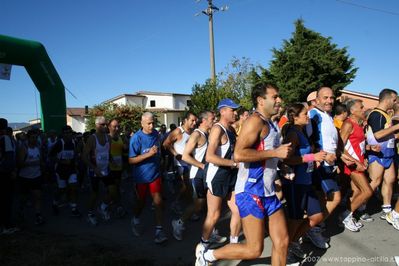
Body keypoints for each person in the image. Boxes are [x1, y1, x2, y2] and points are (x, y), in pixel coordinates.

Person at [196, 89, 292, 266]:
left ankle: (230, 239)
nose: (279, 99)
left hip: (268, 190)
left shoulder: (270, 123)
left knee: (282, 242)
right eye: (274, 97)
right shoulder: (254, 121)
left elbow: (267, 154)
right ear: (260, 101)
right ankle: (209, 255)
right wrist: (274, 152)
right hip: (250, 190)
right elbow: (239, 154)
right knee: (254, 249)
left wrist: (282, 163)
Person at [282, 103, 326, 261]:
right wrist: (311, 157)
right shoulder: (293, 133)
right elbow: (285, 159)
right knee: (296, 219)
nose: (308, 116)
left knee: (317, 216)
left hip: (306, 181)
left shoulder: (301, 131)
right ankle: (284, 249)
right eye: (305, 114)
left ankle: (292, 241)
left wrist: (315, 158)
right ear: (294, 117)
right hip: (295, 184)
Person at [172, 111, 222, 241]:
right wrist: (201, 165)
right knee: (198, 205)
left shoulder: (208, 134)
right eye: (212, 118)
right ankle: (178, 223)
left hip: (207, 174)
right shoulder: (196, 135)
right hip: (197, 174)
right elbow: (185, 156)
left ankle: (210, 232)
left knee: (210, 205)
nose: (214, 120)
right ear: (204, 120)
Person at [306, 86, 342, 249]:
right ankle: (313, 228)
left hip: (330, 165)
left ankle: (313, 227)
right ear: (317, 100)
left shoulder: (327, 115)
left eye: (331, 98)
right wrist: (323, 155)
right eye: (325, 98)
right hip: (320, 164)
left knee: (322, 198)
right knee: (335, 198)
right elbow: (306, 140)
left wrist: (339, 159)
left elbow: (333, 142)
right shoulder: (313, 115)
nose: (329, 101)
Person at [129, 112, 168, 244]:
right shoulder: (136, 138)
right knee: (141, 202)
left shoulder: (156, 134)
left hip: (155, 175)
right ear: (142, 123)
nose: (152, 126)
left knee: (158, 202)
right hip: (141, 177)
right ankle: (135, 219)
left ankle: (159, 230)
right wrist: (149, 155)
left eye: (153, 123)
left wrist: (160, 159)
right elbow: (131, 160)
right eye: (149, 123)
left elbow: (158, 150)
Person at [339, 99, 374, 232]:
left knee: (358, 191)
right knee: (367, 191)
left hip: (359, 163)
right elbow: (340, 145)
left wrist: (367, 151)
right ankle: (345, 215)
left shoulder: (358, 124)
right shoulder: (348, 124)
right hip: (352, 164)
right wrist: (355, 161)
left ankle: (348, 215)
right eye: (361, 107)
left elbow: (357, 145)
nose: (364, 109)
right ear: (352, 111)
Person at [366, 88, 399, 219]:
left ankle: (387, 208)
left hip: (388, 154)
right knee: (374, 182)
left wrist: (394, 134)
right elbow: (378, 135)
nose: (395, 102)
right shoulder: (376, 114)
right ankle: (360, 207)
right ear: (388, 99)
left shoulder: (385, 114)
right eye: (394, 99)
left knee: (390, 180)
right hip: (377, 154)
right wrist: (396, 127)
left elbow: (387, 133)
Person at [83, 116, 115, 225]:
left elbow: (107, 153)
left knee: (113, 191)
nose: (105, 126)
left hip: (105, 170)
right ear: (97, 125)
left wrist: (112, 160)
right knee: (94, 195)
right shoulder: (92, 139)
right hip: (95, 171)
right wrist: (94, 168)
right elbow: (84, 156)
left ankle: (102, 207)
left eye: (106, 124)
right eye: (103, 125)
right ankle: (90, 213)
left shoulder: (108, 138)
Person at [163, 112, 197, 214]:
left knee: (186, 186)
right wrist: (175, 154)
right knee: (188, 186)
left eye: (195, 120)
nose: (194, 123)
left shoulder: (193, 131)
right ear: (185, 120)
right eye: (192, 120)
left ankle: (177, 203)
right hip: (181, 164)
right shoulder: (178, 131)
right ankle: (189, 210)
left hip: (191, 161)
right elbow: (165, 143)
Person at [49, 125, 81, 217]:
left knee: (73, 188)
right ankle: (55, 203)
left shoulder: (74, 142)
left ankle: (74, 208)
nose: (68, 134)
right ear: (62, 134)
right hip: (60, 170)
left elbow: (75, 153)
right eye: (65, 133)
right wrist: (61, 161)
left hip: (71, 170)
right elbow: (50, 156)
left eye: (69, 132)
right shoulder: (59, 143)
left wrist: (76, 159)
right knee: (61, 190)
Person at [17, 129, 45, 225]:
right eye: (32, 137)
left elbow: (40, 160)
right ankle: (21, 210)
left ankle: (38, 215)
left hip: (36, 176)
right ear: (28, 138)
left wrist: (42, 165)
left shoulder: (38, 148)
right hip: (25, 177)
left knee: (38, 196)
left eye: (36, 137)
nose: (34, 139)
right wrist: (31, 163)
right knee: (24, 198)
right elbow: (20, 164)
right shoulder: (23, 148)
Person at [0, 118, 18, 234]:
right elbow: (9, 157)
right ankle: (7, 226)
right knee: (6, 200)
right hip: (4, 173)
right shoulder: (5, 138)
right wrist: (12, 171)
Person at [108, 118, 127, 218]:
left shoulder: (120, 138)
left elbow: (123, 151)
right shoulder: (107, 138)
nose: (117, 128)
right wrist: (111, 161)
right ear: (109, 127)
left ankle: (113, 205)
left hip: (119, 168)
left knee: (117, 188)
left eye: (118, 126)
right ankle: (114, 206)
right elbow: (105, 153)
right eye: (114, 126)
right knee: (113, 189)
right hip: (109, 168)